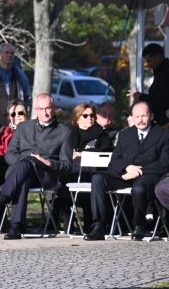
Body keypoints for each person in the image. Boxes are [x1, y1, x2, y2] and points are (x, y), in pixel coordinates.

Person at [0, 94, 73, 239]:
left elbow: (67, 165)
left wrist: (48, 162)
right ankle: (16, 227)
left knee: (25, 168)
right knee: (25, 169)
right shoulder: (24, 127)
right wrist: (25, 160)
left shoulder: (64, 132)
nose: (45, 112)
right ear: (35, 109)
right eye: (41, 108)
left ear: (54, 108)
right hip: (19, 172)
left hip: (44, 175)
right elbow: (10, 154)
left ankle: (3, 204)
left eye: (48, 108)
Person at [84, 101, 169, 241]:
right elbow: (114, 161)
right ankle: (98, 226)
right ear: (132, 117)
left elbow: (165, 163)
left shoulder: (163, 134)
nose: (140, 120)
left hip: (149, 175)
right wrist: (127, 167)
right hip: (125, 173)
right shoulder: (125, 134)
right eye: (137, 116)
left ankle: (139, 226)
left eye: (144, 116)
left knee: (139, 188)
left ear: (151, 116)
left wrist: (140, 170)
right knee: (98, 178)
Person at [52, 102, 113, 232]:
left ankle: (91, 226)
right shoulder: (70, 134)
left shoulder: (101, 135)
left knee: (86, 184)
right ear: (77, 118)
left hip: (93, 173)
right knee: (63, 183)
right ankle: (64, 223)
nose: (89, 118)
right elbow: (64, 154)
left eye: (92, 115)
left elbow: (107, 153)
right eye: (85, 115)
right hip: (72, 172)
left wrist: (84, 154)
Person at [0, 100, 29, 201]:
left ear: (27, 114)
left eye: (21, 113)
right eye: (13, 114)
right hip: (4, 167)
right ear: (9, 117)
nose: (17, 116)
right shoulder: (4, 131)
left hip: (25, 169)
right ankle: (0, 214)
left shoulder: (33, 130)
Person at [128, 43, 169, 126]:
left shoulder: (165, 73)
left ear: (158, 56)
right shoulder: (160, 73)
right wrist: (140, 96)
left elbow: (160, 100)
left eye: (149, 61)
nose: (149, 65)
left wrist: (141, 97)